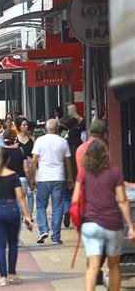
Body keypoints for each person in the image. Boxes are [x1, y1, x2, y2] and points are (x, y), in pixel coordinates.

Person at [72, 139, 134, 291]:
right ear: (106, 154)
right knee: (113, 266)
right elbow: (122, 200)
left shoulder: (84, 174)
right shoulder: (115, 173)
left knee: (93, 266)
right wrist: (131, 226)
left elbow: (74, 199)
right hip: (112, 225)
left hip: (90, 224)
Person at [0, 148, 33, 287]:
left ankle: (2, 277)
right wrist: (27, 215)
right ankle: (12, 273)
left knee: (0, 245)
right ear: (8, 160)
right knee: (12, 243)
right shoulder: (13, 175)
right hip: (12, 210)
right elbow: (20, 196)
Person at [31, 119, 73, 245]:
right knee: (57, 207)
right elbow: (68, 162)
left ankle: (43, 229)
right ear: (58, 128)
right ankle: (55, 237)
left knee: (41, 205)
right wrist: (70, 177)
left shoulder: (40, 140)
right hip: (59, 177)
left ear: (45, 128)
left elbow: (33, 161)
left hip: (43, 178)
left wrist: (32, 178)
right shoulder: (63, 141)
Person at [3, 129, 31, 221]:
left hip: (6, 180)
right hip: (21, 179)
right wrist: (30, 182)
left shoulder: (2, 151)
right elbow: (26, 169)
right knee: (20, 204)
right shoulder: (21, 150)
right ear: (15, 138)